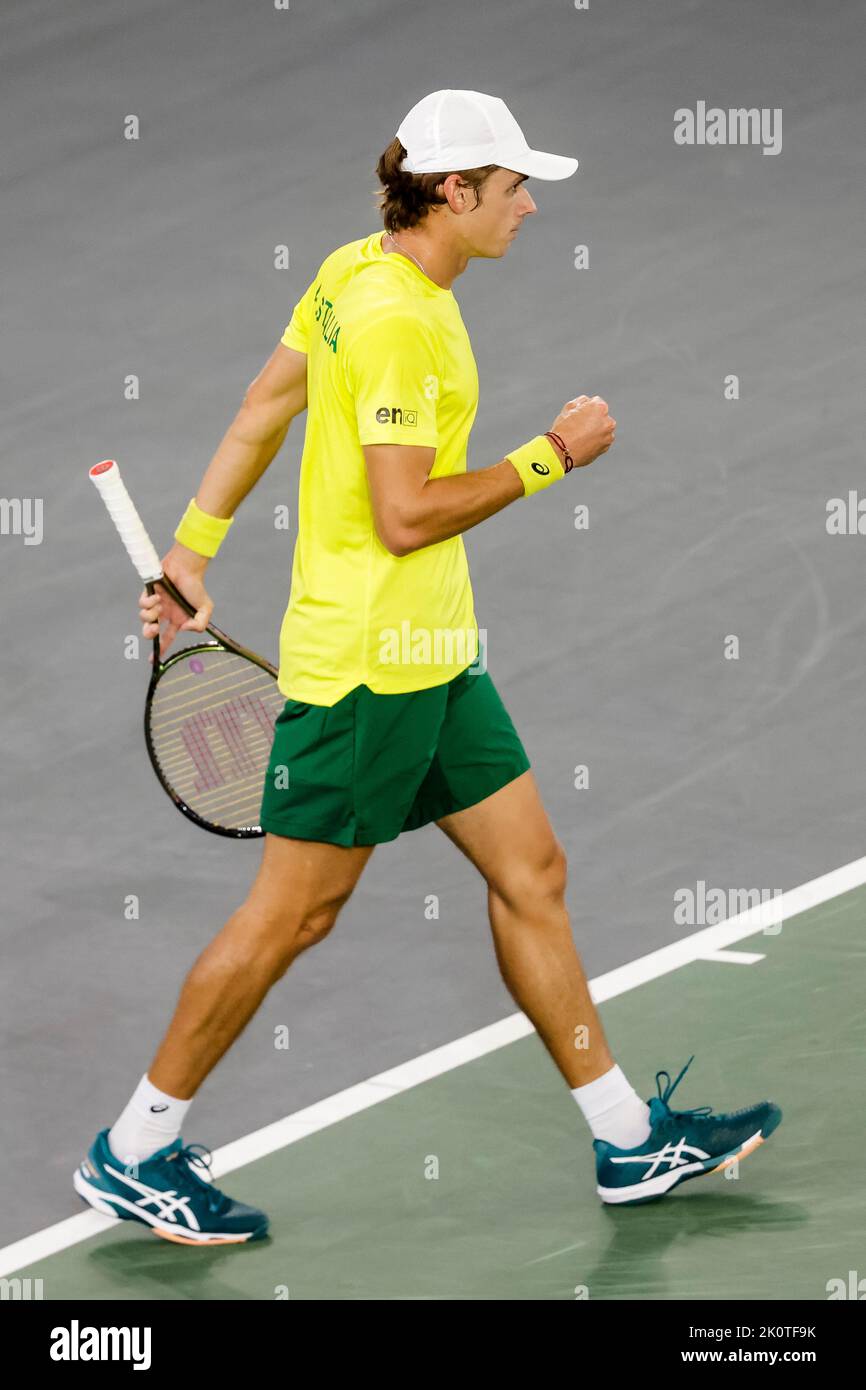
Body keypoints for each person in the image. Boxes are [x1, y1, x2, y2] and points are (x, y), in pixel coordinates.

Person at [74, 90, 781, 1245]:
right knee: (292, 921)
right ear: (452, 193)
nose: (529, 205)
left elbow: (267, 402)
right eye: (510, 188)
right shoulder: (396, 316)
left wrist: (193, 548)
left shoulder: (356, 269)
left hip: (437, 659)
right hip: (361, 674)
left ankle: (623, 1140)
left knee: (532, 872)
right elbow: (404, 514)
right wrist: (553, 457)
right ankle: (135, 1148)